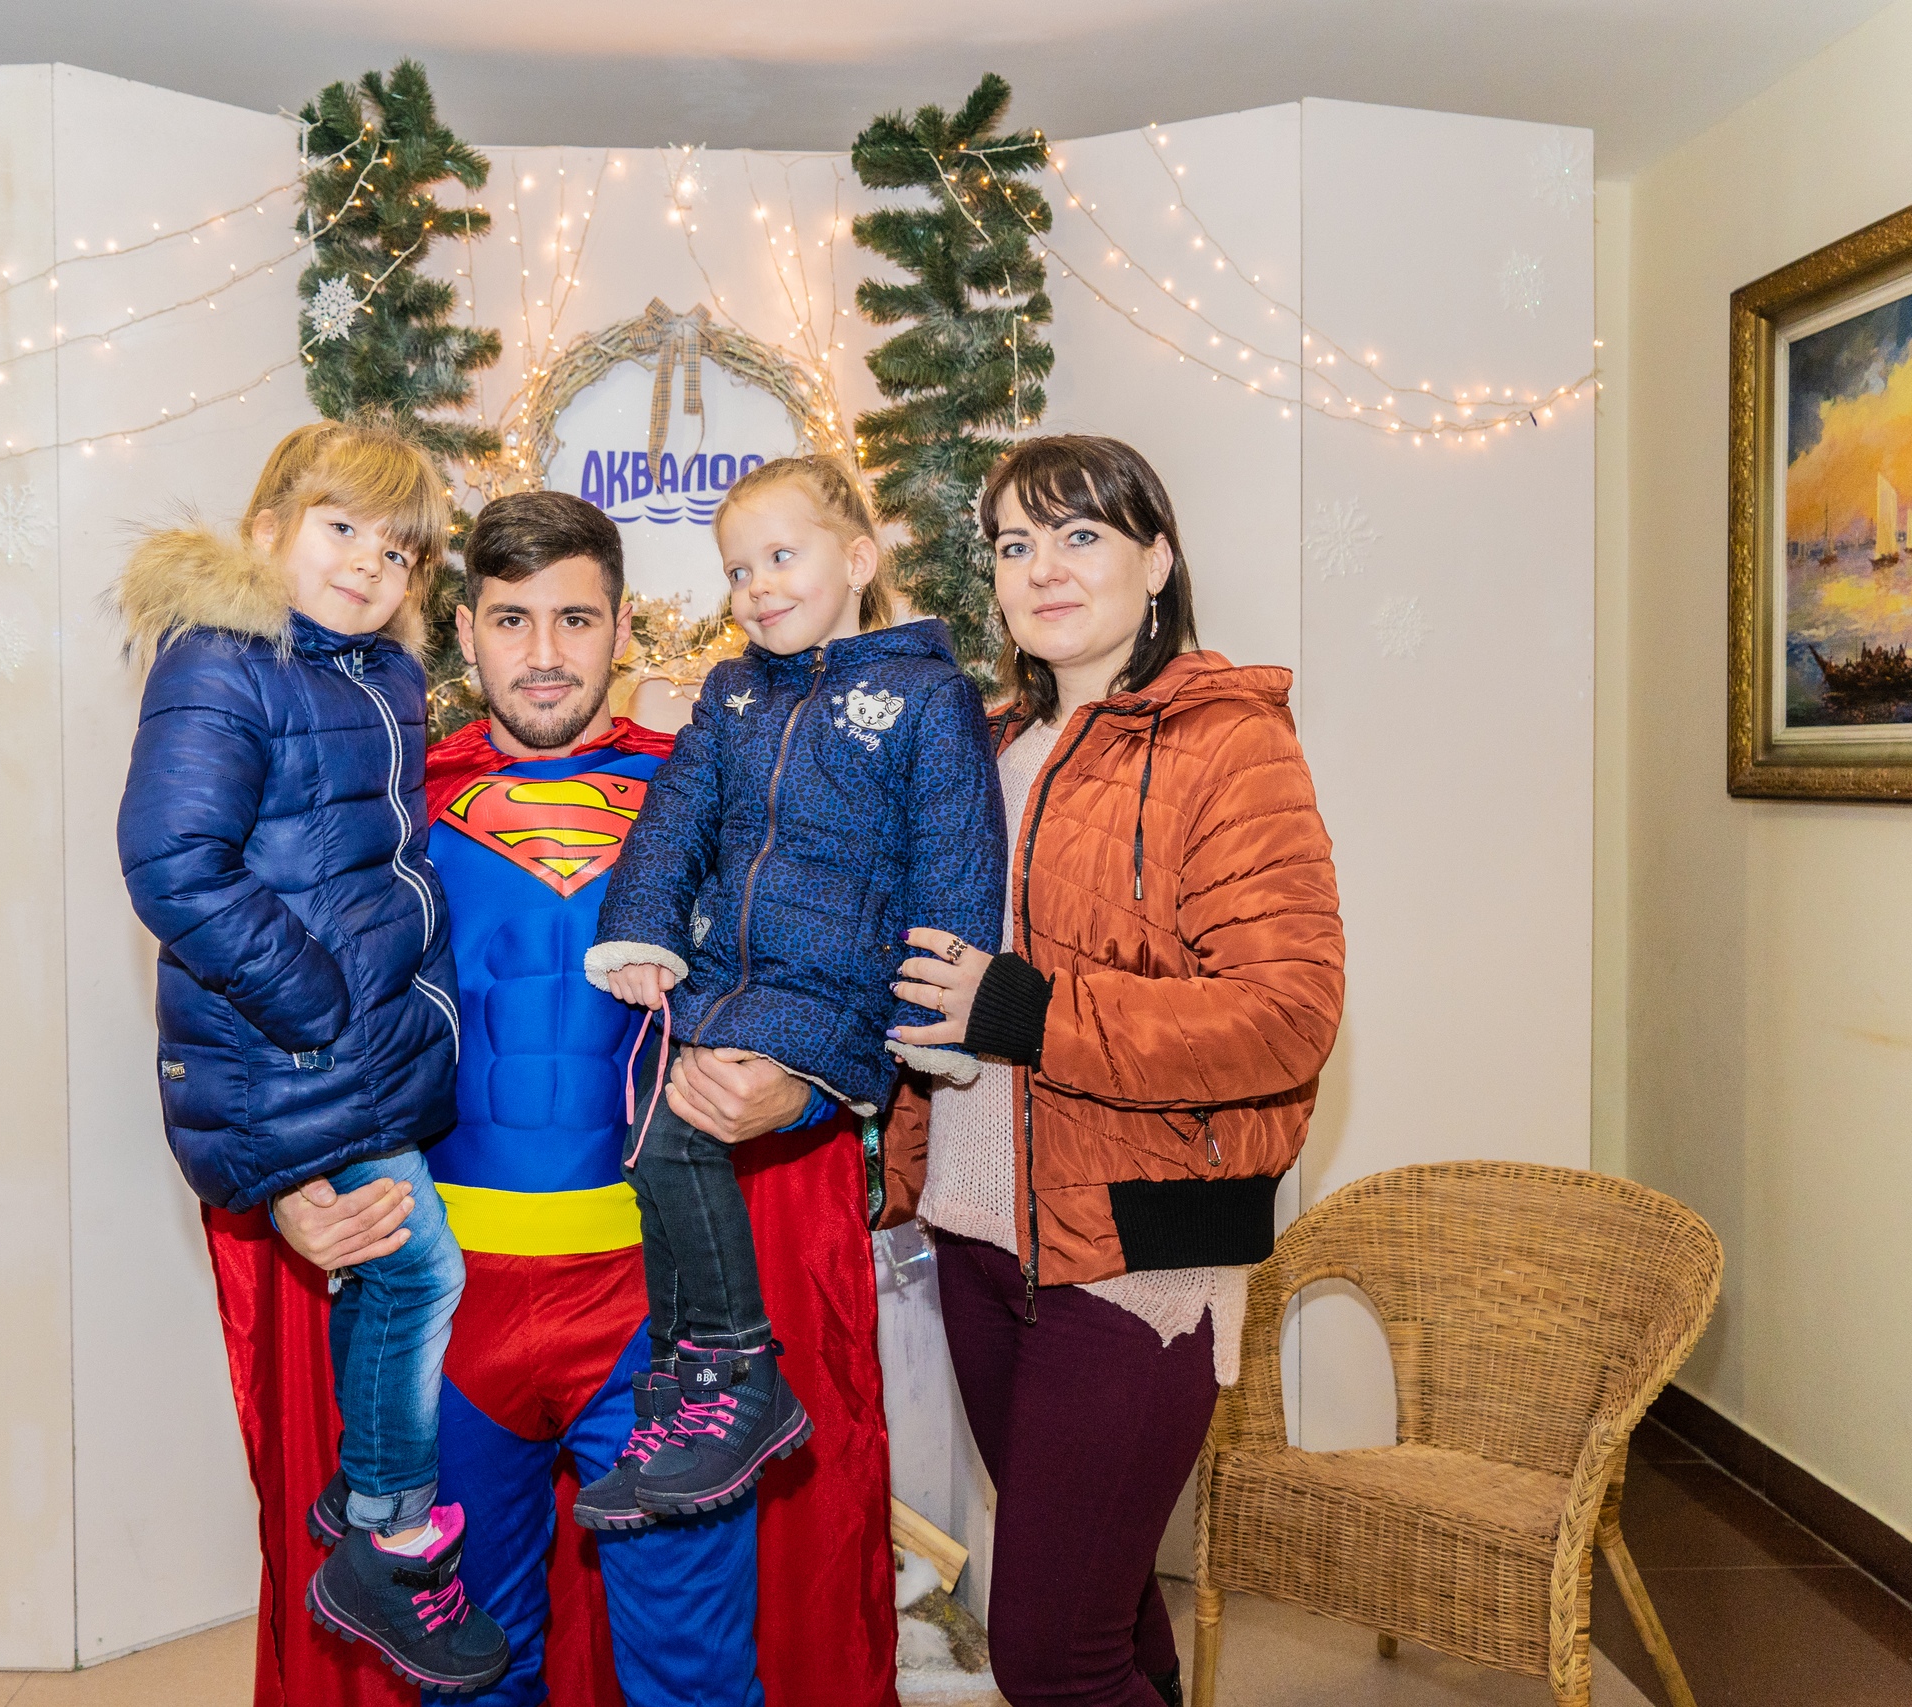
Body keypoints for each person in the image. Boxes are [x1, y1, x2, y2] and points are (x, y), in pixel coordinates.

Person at [214, 489, 900, 1707]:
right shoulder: (380, 808)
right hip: (447, 1314)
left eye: (575, 619)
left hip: (660, 1312)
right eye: (510, 619)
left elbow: (833, 993)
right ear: (462, 631)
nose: (543, 654)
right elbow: (266, 1019)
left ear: (623, 627)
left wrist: (794, 1094)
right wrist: (287, 1192)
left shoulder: (716, 797)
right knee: (472, 1671)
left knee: (694, 1674)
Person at [882, 435, 1345, 1707]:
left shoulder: (1226, 742)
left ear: (1155, 561)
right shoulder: (976, 747)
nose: (1042, 569)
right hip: (976, 1242)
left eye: (1079, 534)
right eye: (1014, 544)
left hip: (1135, 1259)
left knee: (1047, 1654)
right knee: (1110, 1612)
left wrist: (1022, 1010)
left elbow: (1284, 1015)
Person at [115, 421, 508, 1696]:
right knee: (421, 1275)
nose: (367, 566)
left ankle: (358, 1497)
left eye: (398, 552)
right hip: (292, 1055)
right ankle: (387, 1536)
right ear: (267, 526)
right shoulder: (222, 660)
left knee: (397, 1279)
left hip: (354, 1053)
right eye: (342, 529)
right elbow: (173, 863)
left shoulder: (371, 675)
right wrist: (320, 1003)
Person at [579, 454, 1006, 1529]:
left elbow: (956, 858)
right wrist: (641, 930)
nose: (756, 586)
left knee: (679, 1140)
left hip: (838, 985)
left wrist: (934, 1021)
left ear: (857, 560)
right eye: (737, 570)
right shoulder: (732, 695)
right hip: (734, 980)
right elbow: (674, 821)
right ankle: (685, 1390)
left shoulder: (925, 695)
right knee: (650, 1135)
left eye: (780, 556)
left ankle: (739, 1372)